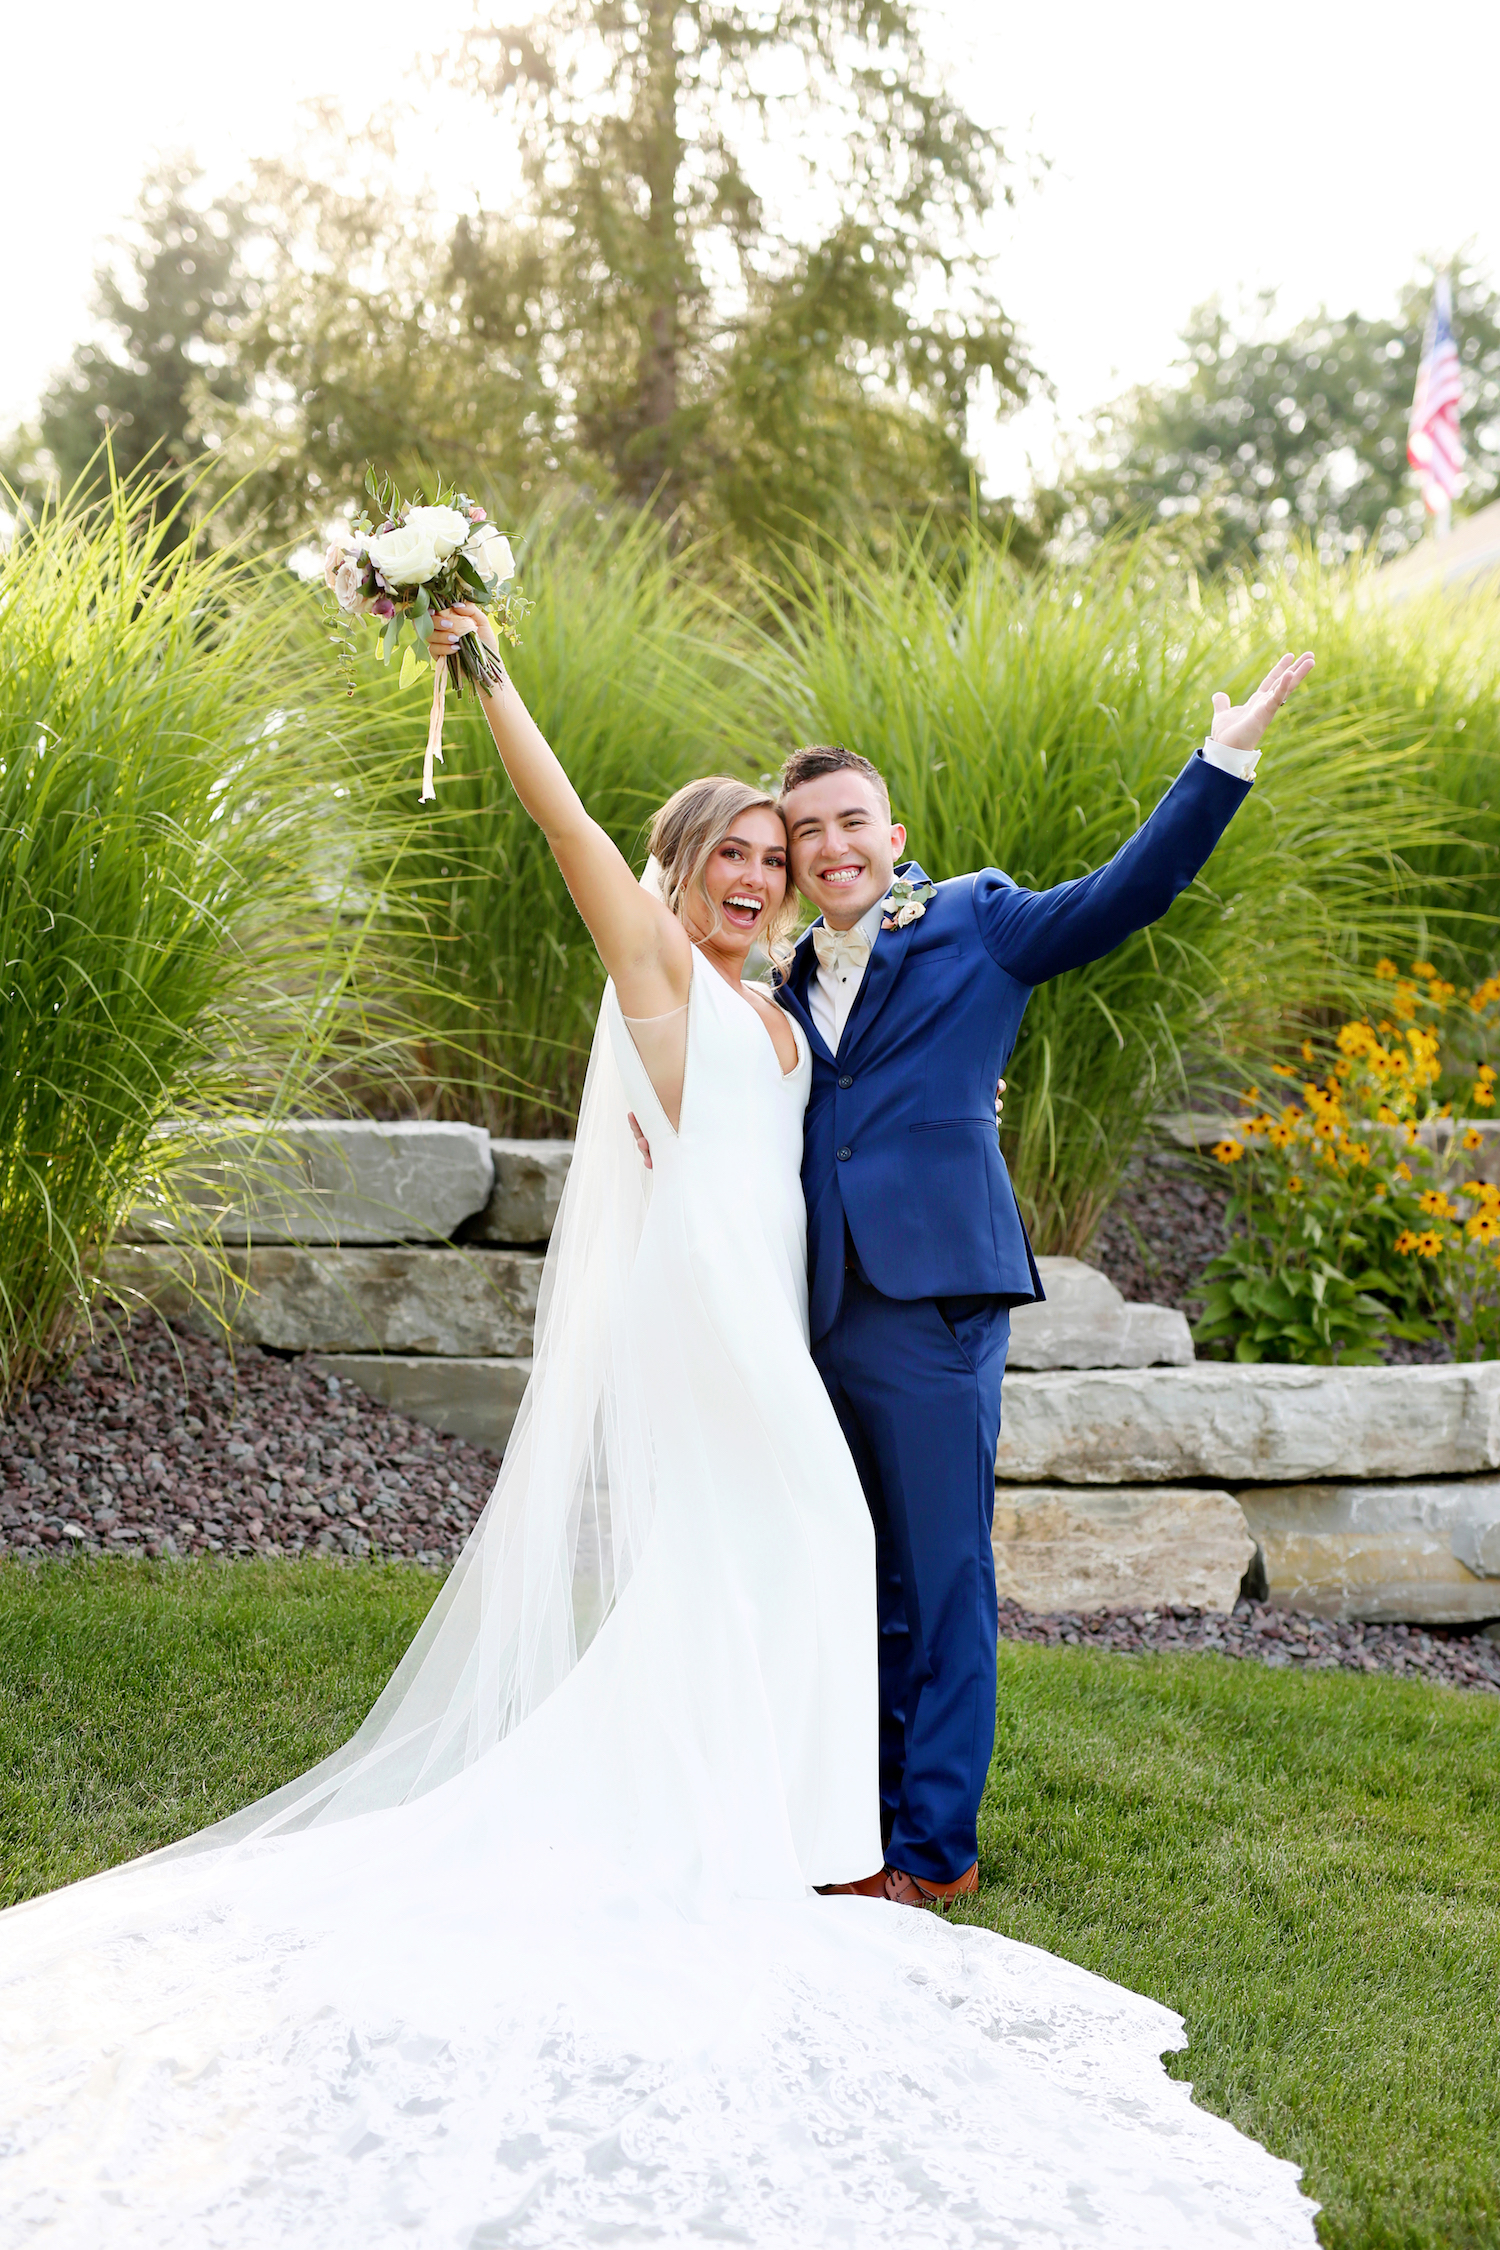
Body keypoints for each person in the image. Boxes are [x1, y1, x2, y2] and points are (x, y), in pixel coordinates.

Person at [0, 609, 1319, 2246]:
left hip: (831, 1317)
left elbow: (1063, 944)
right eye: (743, 850)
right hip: (734, 1341)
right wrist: (489, 680)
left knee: (817, 1567)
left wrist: (1221, 757)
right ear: (682, 873)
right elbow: (562, 827)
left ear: (872, 845)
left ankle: (849, 1827)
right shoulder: (672, 984)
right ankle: (801, 1828)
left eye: (798, 842)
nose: (774, 868)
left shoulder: (836, 983)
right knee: (818, 1552)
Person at [771, 651, 1314, 1907]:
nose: (831, 846)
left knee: (943, 1575)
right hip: (817, 1305)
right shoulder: (785, 978)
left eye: (851, 821)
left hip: (936, 1303)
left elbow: (1125, 896)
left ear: (891, 833)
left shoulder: (975, 917)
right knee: (851, 1575)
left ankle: (934, 1852)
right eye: (807, 833)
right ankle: (852, 1829)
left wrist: (1219, 759)